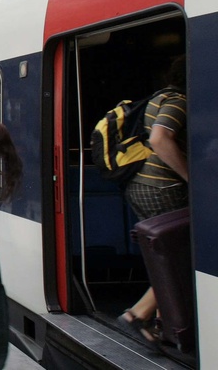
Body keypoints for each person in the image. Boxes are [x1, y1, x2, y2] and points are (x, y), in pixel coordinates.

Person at [118, 56, 188, 347]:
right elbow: (160, 138)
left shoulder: (158, 97)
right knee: (180, 258)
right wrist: (189, 175)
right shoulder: (178, 101)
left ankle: (166, 323)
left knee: (167, 255)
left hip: (141, 185)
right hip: (161, 187)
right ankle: (137, 314)